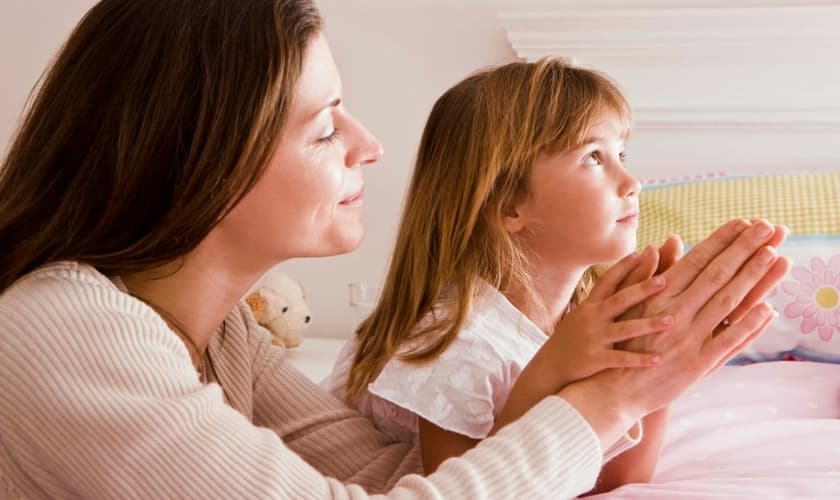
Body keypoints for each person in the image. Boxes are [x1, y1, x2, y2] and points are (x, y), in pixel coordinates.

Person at [0, 0, 788, 498]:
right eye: (323, 125)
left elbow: (395, 479)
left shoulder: (225, 335)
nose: (369, 146)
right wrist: (605, 401)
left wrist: (631, 375)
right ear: (199, 163)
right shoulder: (63, 326)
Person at [323, 59, 790, 493]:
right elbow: (477, 490)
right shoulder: (456, 342)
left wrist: (662, 366)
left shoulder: (576, 319)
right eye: (593, 157)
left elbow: (617, 481)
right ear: (509, 204)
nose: (632, 182)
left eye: (622, 153)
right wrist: (557, 368)